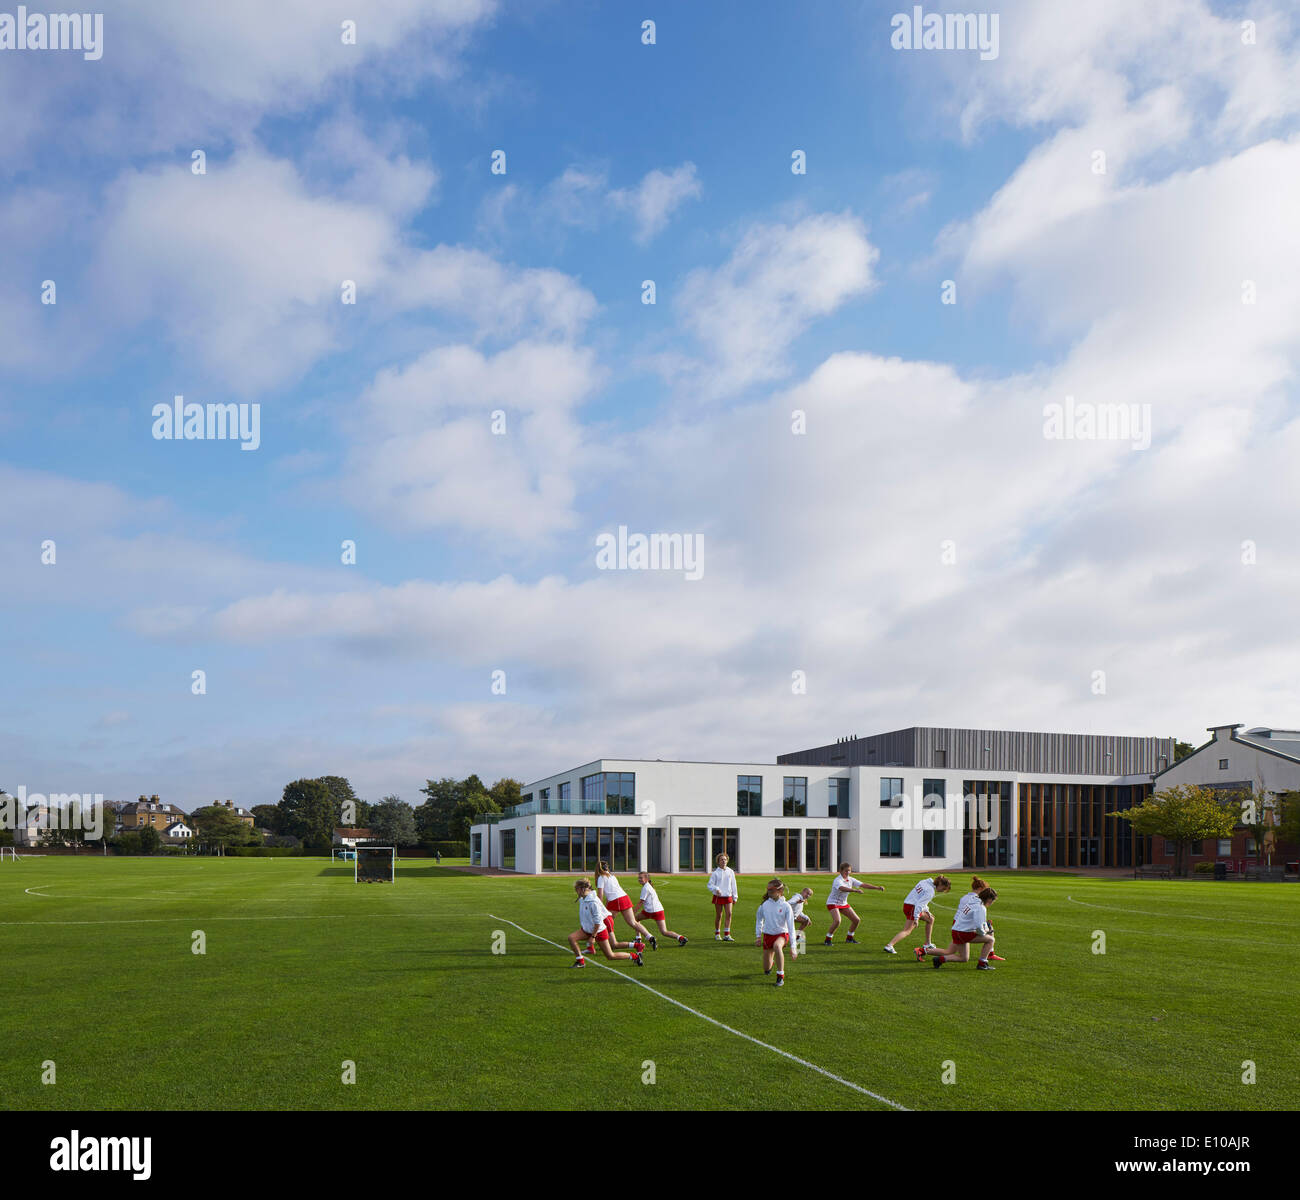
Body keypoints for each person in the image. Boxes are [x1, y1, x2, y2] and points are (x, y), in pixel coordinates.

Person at [918, 884, 998, 969]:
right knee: (991, 940)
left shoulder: (974, 901)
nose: (992, 902)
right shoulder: (980, 908)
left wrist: (984, 928)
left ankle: (939, 960)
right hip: (963, 932)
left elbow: (978, 922)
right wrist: (986, 931)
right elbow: (979, 928)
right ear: (989, 899)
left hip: (957, 930)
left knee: (964, 958)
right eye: (992, 900)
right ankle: (982, 964)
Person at [568, 879, 644, 968]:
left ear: (582, 889)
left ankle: (634, 956)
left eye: (576, 889)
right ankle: (580, 961)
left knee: (610, 956)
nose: (575, 891)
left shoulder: (593, 902)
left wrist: (593, 937)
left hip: (598, 931)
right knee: (571, 938)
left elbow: (598, 922)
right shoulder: (582, 899)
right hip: (587, 930)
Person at [884, 874, 951, 954]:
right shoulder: (930, 891)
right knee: (907, 931)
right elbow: (919, 905)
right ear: (940, 884)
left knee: (930, 919)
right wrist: (916, 918)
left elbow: (920, 899)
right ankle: (890, 945)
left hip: (908, 905)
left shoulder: (924, 882)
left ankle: (927, 943)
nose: (942, 891)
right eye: (943, 889)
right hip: (913, 908)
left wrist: (927, 911)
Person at [595, 861, 651, 950]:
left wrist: (598, 907)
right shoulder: (612, 876)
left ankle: (604, 941)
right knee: (632, 922)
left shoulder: (601, 878)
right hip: (624, 897)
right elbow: (610, 894)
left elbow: (600, 895)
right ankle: (650, 937)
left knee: (605, 921)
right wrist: (604, 907)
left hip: (616, 900)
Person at [824, 863, 884, 945]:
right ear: (841, 871)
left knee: (856, 920)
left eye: (849, 870)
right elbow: (842, 888)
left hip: (843, 903)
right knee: (837, 921)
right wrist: (854, 890)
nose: (848, 872)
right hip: (832, 902)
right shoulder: (838, 880)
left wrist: (877, 887)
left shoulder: (851, 879)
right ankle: (828, 939)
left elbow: (863, 885)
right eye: (846, 871)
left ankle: (850, 938)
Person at [754, 879, 798, 987]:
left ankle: (780, 976)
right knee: (766, 968)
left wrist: (793, 947)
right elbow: (759, 919)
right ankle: (772, 962)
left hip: (781, 934)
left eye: (771, 889)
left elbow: (791, 927)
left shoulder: (786, 906)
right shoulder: (764, 905)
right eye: (768, 889)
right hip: (768, 935)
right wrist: (758, 936)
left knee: (777, 946)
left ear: (780, 891)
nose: (769, 892)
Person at [634, 871, 687, 947]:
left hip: (650, 911)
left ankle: (639, 939)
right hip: (658, 910)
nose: (639, 879)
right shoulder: (648, 886)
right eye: (638, 878)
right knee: (664, 931)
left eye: (641, 878)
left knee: (635, 919)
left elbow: (641, 902)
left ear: (646, 879)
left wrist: (633, 912)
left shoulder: (645, 888)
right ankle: (681, 938)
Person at [707, 852, 739, 941]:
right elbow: (709, 885)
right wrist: (716, 889)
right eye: (722, 860)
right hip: (718, 897)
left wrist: (735, 896)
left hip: (728, 896)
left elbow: (734, 884)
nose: (723, 861)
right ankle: (717, 933)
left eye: (725, 859)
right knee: (719, 915)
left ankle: (727, 934)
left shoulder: (730, 871)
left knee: (729, 914)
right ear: (718, 861)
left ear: (727, 861)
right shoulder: (715, 873)